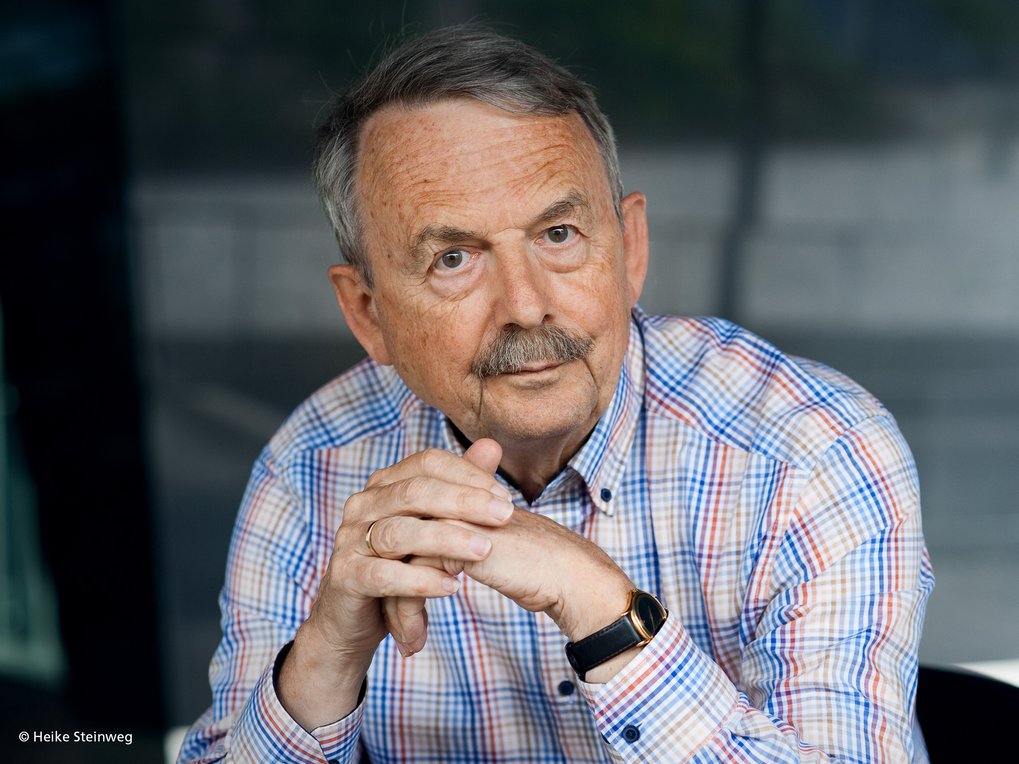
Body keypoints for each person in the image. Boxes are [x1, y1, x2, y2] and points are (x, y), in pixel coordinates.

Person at [179, 25, 934, 763]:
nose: (526, 304)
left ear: (628, 249)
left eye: (559, 235)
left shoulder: (812, 450)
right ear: (368, 314)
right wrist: (322, 661)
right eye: (452, 258)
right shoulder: (313, 469)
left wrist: (603, 611)